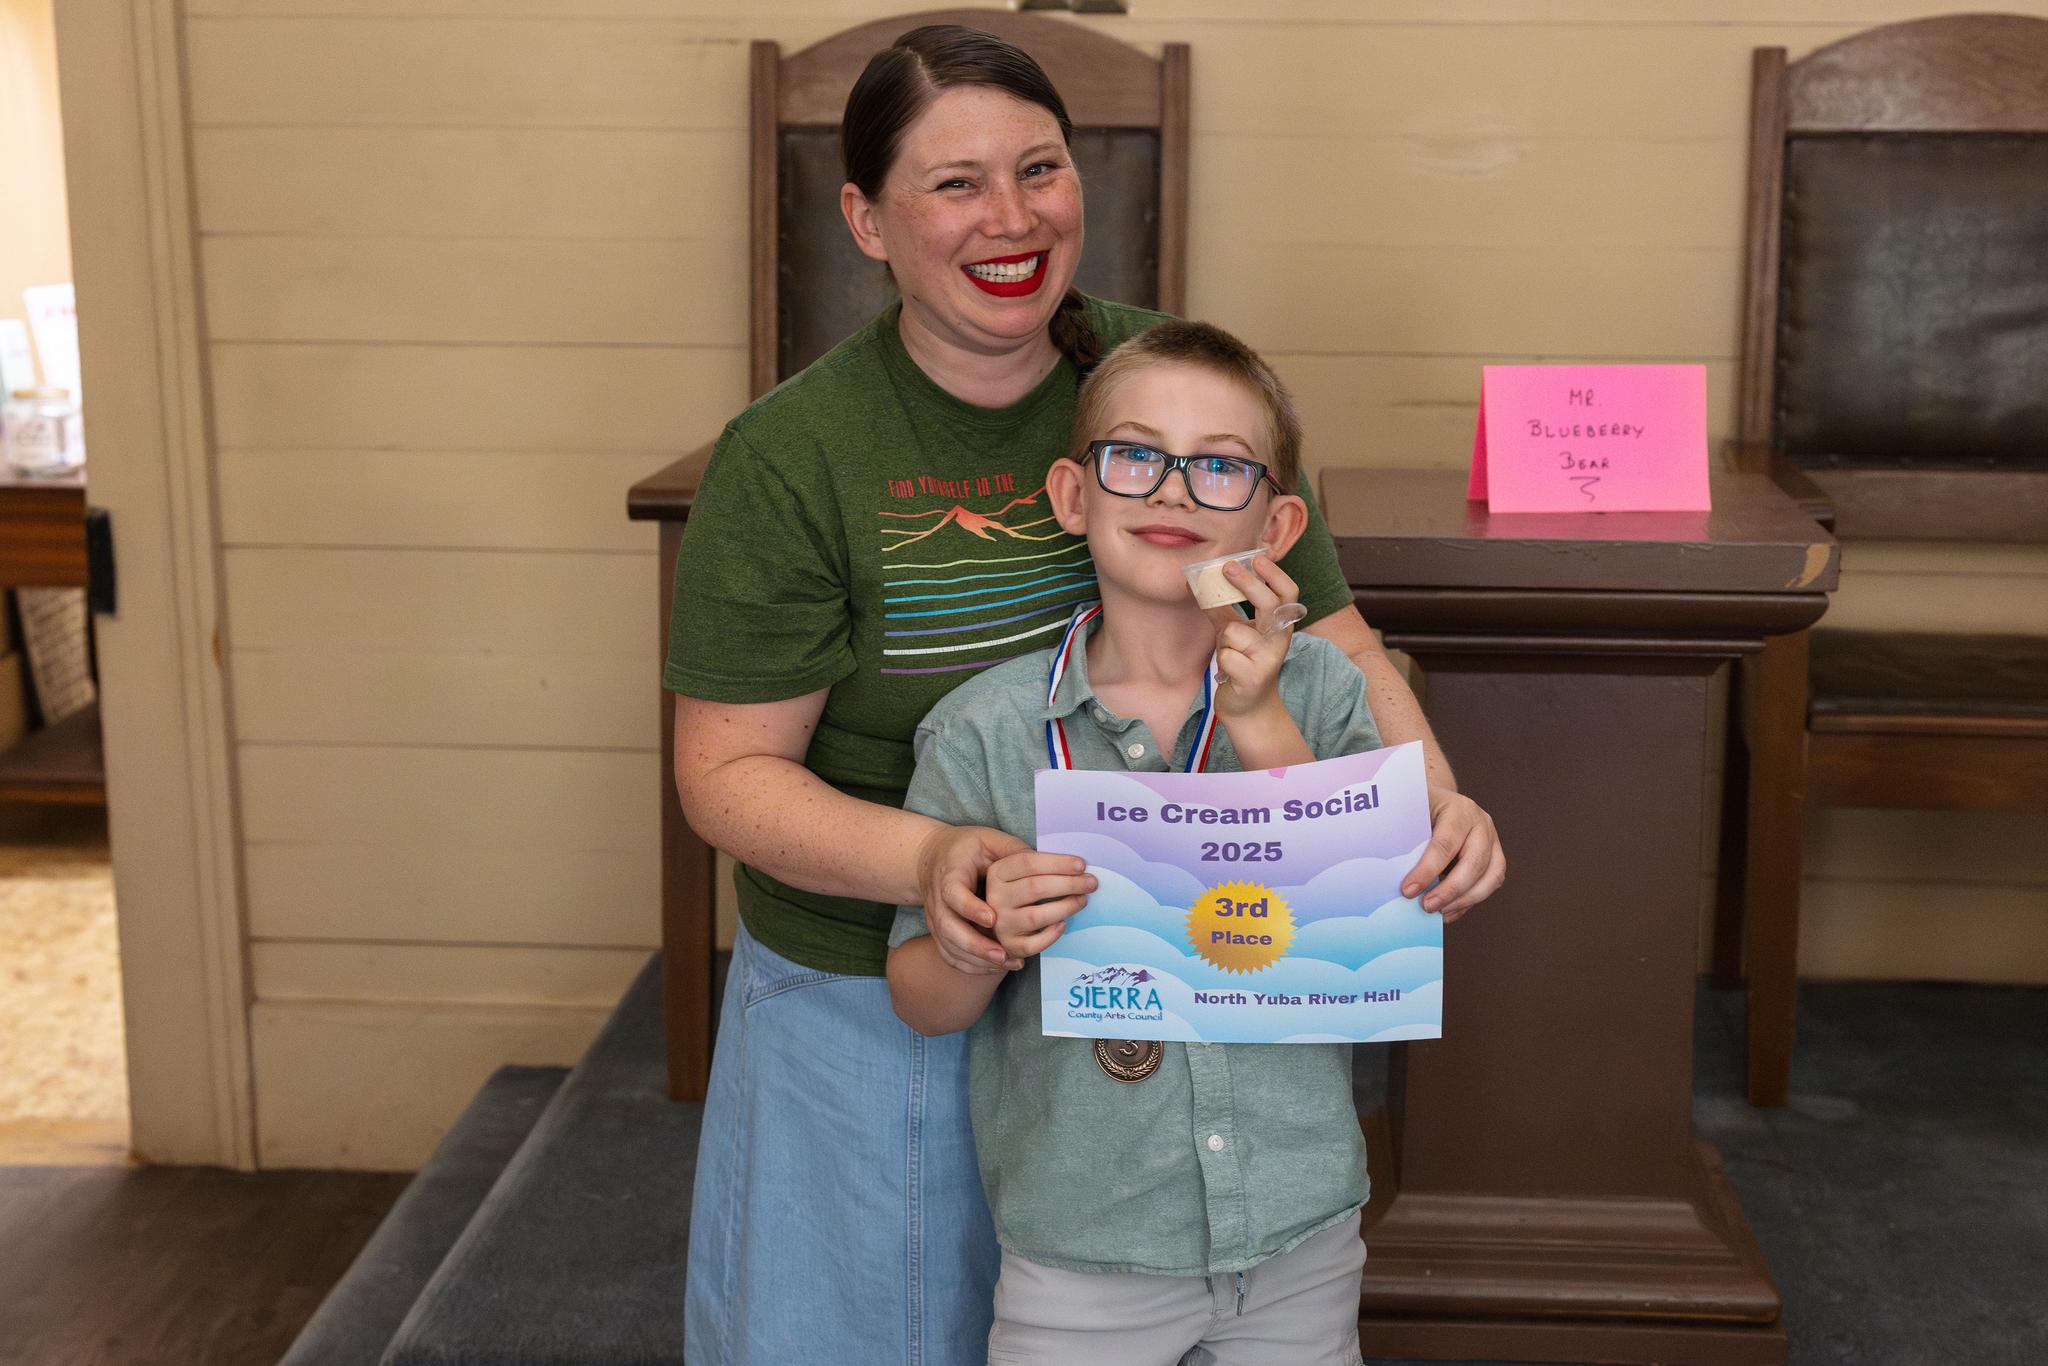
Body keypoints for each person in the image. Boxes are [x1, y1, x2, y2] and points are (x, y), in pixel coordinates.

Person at [664, 24, 1504, 1365]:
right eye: (953, 184)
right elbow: (724, 773)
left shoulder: (1170, 390)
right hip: (883, 971)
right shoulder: (792, 455)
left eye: (1039, 168)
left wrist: (1437, 795)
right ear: (866, 219)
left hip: (1174, 973)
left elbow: (1338, 644)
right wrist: (941, 860)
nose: (1010, 218)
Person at [887, 319, 1380, 1365]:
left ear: (1279, 521)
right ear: (1074, 494)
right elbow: (921, 1000)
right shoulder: (984, 730)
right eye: (1135, 456)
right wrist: (975, 937)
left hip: (1297, 1225)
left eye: (1217, 467)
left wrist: (1258, 717)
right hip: (1081, 1242)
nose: (1169, 492)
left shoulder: (1326, 693)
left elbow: (1350, 927)